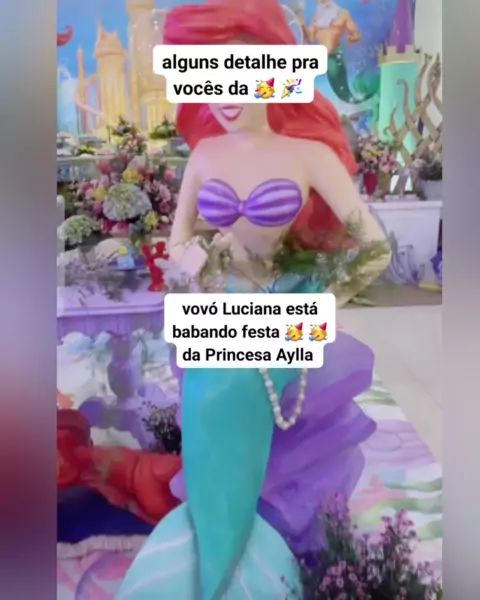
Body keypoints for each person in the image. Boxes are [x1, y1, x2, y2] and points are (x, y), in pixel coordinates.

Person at [118, 0, 391, 598]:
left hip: (285, 302)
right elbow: (180, 241)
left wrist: (325, 297)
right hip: (219, 306)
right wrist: (193, 263)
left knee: (231, 390)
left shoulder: (308, 155)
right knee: (204, 395)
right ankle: (211, 553)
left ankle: (227, 564)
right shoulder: (205, 155)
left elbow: (374, 247)